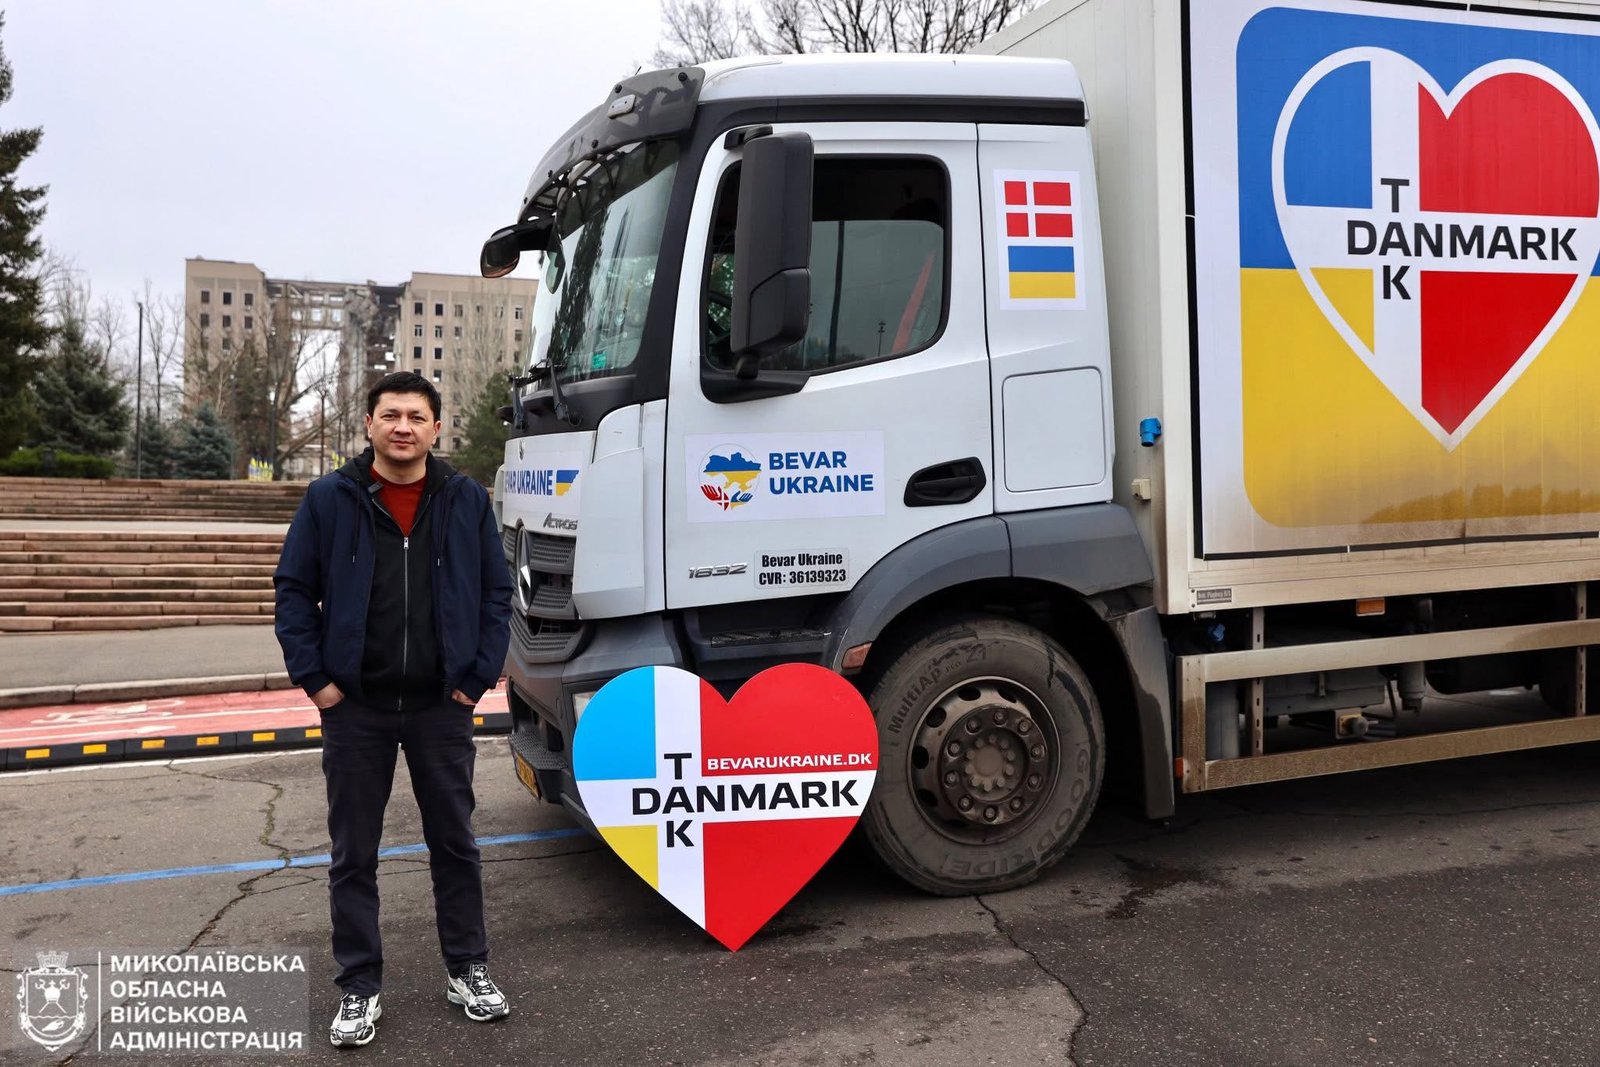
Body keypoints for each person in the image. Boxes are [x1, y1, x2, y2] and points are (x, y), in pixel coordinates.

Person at [274, 370, 514, 1048]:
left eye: (415, 415)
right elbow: (293, 590)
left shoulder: (465, 499)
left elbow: (496, 593)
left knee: (455, 844)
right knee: (354, 853)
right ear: (369, 425)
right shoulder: (330, 498)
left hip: (442, 704)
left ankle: (467, 968)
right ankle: (358, 985)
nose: (402, 426)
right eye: (390, 414)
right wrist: (317, 681)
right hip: (357, 708)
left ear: (436, 427)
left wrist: (475, 677)